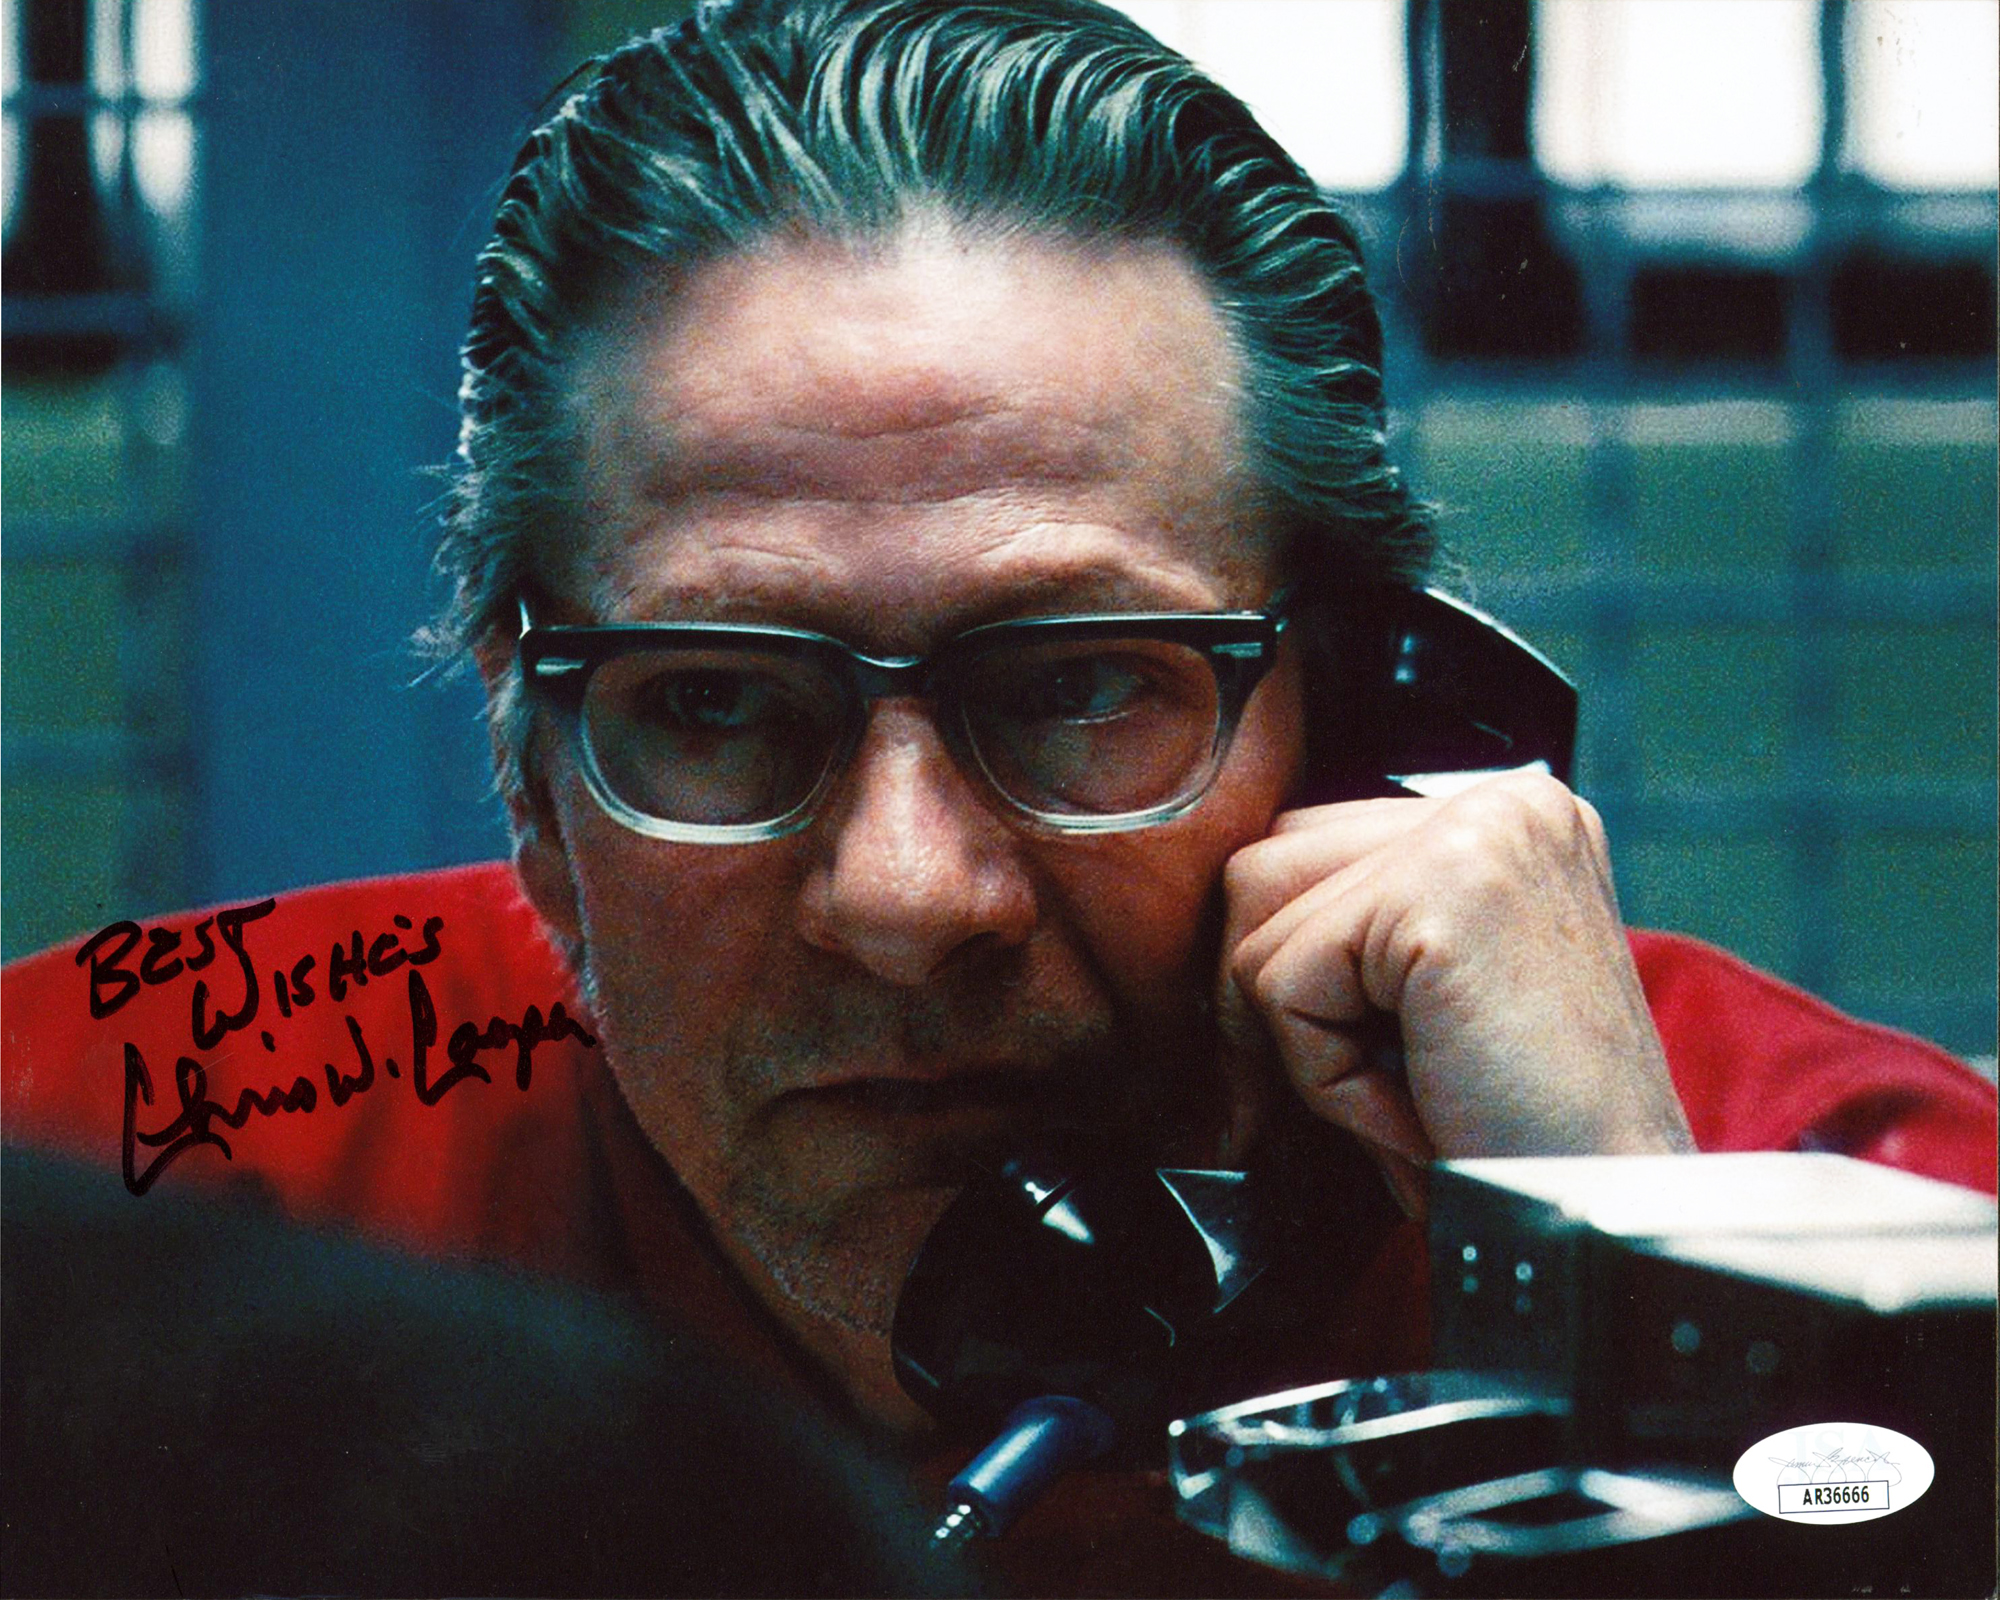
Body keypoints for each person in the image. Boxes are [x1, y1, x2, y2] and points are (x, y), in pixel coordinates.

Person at [4, 3, 1993, 1593]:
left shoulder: (1836, 1208)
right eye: (717, 704)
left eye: (1077, 688)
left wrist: (1637, 1294)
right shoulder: (130, 1164)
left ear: (1363, 724)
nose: (903, 896)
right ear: (534, 786)